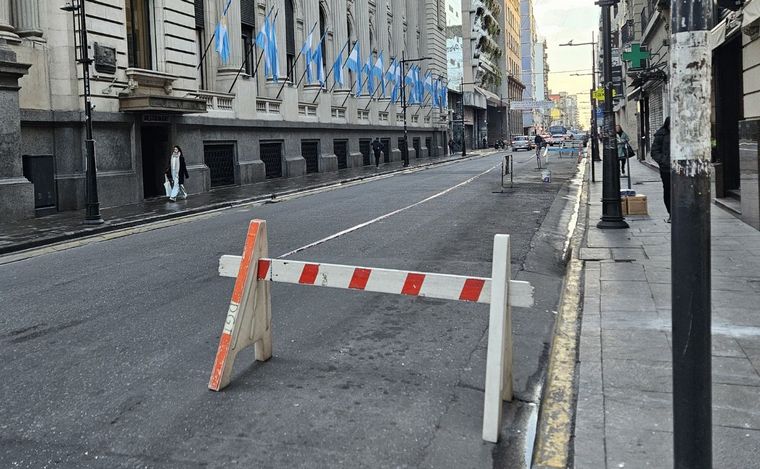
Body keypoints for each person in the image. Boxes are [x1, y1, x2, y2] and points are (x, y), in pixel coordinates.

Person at [650, 117, 671, 223]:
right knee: (668, 190)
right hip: (667, 169)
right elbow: (654, 151)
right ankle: (671, 213)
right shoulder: (661, 134)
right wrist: (664, 161)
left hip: (681, 169)